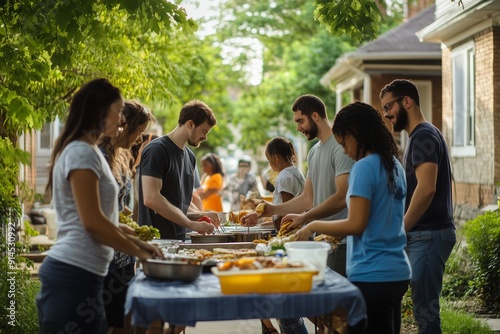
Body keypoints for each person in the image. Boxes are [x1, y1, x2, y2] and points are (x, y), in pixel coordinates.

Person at [37, 78, 162, 334]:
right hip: (73, 275)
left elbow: (100, 218)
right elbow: (92, 223)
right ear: (99, 112)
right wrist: (141, 253)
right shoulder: (81, 153)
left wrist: (135, 240)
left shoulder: (89, 151)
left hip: (85, 274)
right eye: (118, 112)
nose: (122, 120)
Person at [295, 101, 411, 334]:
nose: (346, 151)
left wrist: (313, 224)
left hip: (372, 274)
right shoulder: (395, 166)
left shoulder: (364, 168)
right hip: (397, 271)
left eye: (345, 143)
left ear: (356, 134)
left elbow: (357, 223)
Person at [242, 94, 354, 334]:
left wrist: (306, 218)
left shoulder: (342, 147)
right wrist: (269, 210)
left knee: (337, 317)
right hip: (317, 242)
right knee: (320, 312)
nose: (298, 127)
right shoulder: (314, 152)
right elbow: (307, 199)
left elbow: (341, 196)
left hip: (340, 242)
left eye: (300, 121)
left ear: (315, 116)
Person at [380, 79, 456, 334]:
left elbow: (427, 188)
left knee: (426, 315)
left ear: (407, 101)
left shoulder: (423, 135)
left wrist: (401, 229)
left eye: (388, 106)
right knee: (423, 311)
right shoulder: (421, 135)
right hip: (425, 235)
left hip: (429, 235)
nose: (386, 114)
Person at [98, 99, 156, 333]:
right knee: (111, 323)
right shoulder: (99, 156)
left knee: (122, 321)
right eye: (139, 131)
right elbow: (101, 215)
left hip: (123, 256)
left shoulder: (121, 157)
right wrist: (139, 245)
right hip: (107, 256)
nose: (140, 139)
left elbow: (119, 208)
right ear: (124, 125)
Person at [138, 99, 220, 241]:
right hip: (156, 242)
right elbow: (151, 198)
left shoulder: (190, 157)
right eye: (204, 131)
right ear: (190, 124)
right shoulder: (157, 150)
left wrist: (201, 215)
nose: (205, 138)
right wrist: (191, 224)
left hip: (180, 240)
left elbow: (179, 206)